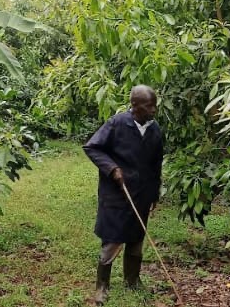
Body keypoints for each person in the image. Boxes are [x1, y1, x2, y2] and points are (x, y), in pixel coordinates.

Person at [83, 85, 163, 306]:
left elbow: (157, 164)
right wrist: (112, 168)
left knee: (136, 239)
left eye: (155, 106)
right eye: (149, 106)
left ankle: (132, 279)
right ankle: (101, 287)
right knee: (112, 240)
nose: (153, 111)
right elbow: (92, 148)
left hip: (142, 194)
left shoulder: (155, 129)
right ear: (135, 105)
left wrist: (154, 192)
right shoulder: (117, 124)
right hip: (117, 194)